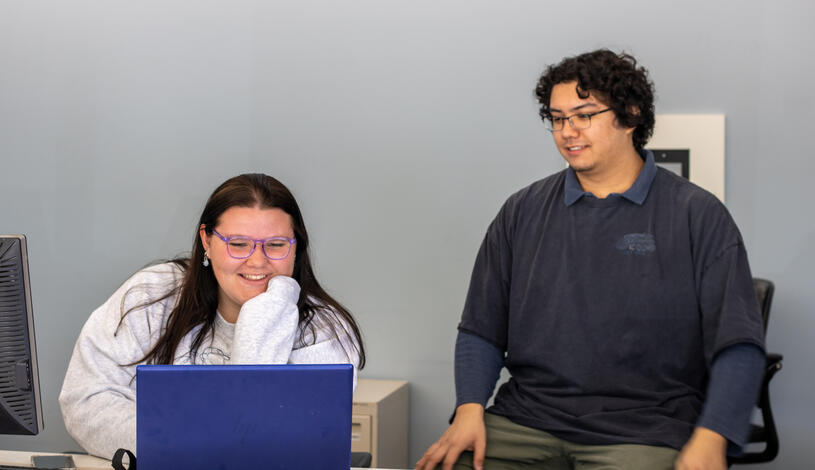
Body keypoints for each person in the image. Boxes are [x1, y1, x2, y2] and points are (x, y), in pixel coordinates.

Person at [417, 50, 765, 470]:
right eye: (558, 118)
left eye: (584, 115)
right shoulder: (521, 212)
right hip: (527, 420)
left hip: (646, 430)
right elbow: (480, 329)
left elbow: (739, 344)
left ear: (631, 114)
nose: (568, 131)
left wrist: (713, 437)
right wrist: (469, 409)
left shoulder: (697, 214)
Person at [59, 173, 365, 460]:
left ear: (296, 247)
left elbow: (265, 446)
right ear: (207, 241)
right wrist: (191, 447)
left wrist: (264, 315)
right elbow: (85, 400)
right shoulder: (151, 296)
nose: (257, 261)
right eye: (238, 244)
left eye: (275, 245)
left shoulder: (324, 331)